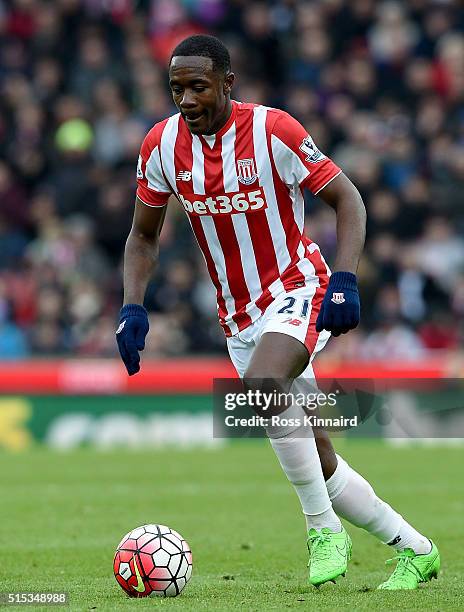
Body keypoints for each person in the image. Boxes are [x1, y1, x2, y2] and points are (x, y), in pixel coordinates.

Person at [116, 34, 439, 589]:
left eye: (198, 86)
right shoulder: (161, 145)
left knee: (262, 388)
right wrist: (132, 306)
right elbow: (143, 238)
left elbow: (348, 199)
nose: (186, 99)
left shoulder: (274, 130)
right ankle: (415, 548)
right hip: (238, 317)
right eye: (176, 89)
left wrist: (344, 278)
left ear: (227, 84)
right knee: (319, 454)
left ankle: (322, 530)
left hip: (298, 285)